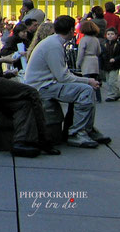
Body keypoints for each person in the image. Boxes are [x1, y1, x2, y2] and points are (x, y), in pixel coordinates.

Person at [0, 9, 57, 158]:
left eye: (1, 20)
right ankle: (44, 139)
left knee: (23, 104)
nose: (2, 23)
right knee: (31, 92)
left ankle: (21, 142)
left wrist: (5, 74)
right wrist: (2, 60)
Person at [23, 15, 110, 148]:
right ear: (70, 30)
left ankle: (86, 128)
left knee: (84, 88)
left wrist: (84, 80)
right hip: (42, 87)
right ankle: (77, 133)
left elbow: (62, 75)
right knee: (86, 90)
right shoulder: (54, 46)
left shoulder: (53, 42)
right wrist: (87, 81)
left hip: (45, 84)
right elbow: (63, 77)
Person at [77, 20, 102, 102]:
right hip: (94, 60)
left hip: (86, 60)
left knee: (87, 80)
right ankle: (98, 98)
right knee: (95, 80)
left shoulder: (84, 39)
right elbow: (99, 51)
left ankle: (88, 97)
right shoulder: (96, 39)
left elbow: (81, 52)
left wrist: (78, 63)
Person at [100, 27, 120, 101]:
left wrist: (115, 59)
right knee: (108, 81)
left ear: (116, 35)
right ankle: (117, 93)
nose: (110, 36)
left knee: (112, 81)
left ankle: (111, 95)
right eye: (108, 34)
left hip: (115, 65)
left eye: (112, 34)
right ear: (106, 35)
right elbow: (101, 55)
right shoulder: (104, 44)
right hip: (106, 65)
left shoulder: (118, 44)